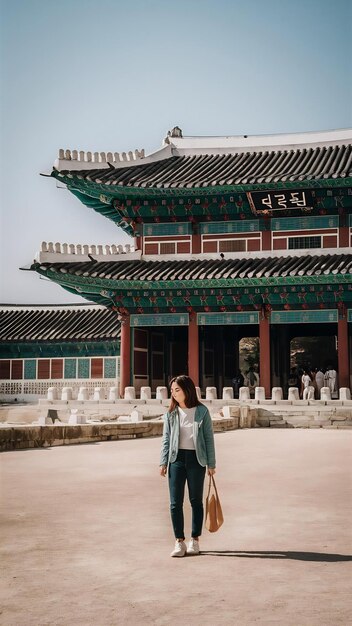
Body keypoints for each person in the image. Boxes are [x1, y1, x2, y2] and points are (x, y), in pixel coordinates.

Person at [159, 375, 216, 558]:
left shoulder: (202, 412)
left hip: (196, 460)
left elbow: (208, 439)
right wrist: (163, 461)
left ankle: (195, 540)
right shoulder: (171, 414)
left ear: (187, 389)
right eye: (172, 391)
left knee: (195, 501)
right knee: (175, 503)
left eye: (177, 390)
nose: (174, 394)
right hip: (176, 459)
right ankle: (179, 541)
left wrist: (211, 464)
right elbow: (166, 439)